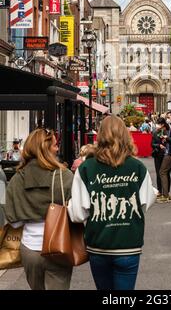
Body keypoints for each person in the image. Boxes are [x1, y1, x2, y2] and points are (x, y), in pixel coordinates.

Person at [68, 115, 156, 291]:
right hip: (129, 244)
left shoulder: (86, 168)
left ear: (100, 136)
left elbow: (77, 214)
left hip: (99, 244)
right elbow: (146, 202)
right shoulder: (136, 167)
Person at [3, 128, 74, 290]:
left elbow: (14, 223)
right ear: (45, 149)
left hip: (30, 248)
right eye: (55, 145)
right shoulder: (65, 176)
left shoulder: (17, 179)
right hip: (59, 246)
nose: (57, 149)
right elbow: (76, 213)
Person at [151, 117, 170, 198]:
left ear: (163, 124)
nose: (157, 125)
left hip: (166, 155)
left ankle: (167, 190)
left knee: (166, 172)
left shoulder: (168, 132)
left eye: (159, 124)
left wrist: (165, 143)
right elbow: (152, 144)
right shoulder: (155, 132)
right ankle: (159, 190)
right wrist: (159, 145)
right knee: (158, 172)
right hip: (158, 154)